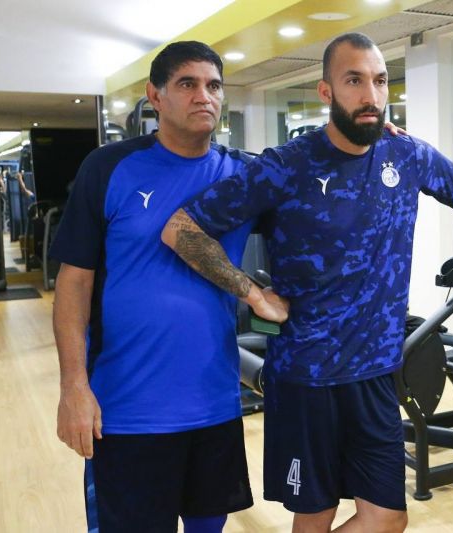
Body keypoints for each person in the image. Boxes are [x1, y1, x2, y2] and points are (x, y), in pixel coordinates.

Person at [161, 32, 453, 533]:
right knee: (316, 516)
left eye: (380, 80)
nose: (371, 95)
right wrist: (252, 294)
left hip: (375, 375)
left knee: (388, 517)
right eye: (354, 81)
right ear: (326, 91)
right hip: (306, 379)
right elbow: (180, 230)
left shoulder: (406, 154)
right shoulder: (286, 165)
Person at [50, 41, 281, 533]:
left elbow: (318, 181)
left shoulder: (242, 175)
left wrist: (378, 138)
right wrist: (73, 386)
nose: (204, 96)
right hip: (127, 408)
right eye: (188, 84)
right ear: (155, 96)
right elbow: (74, 282)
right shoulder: (109, 167)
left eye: (214, 86)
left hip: (214, 403)